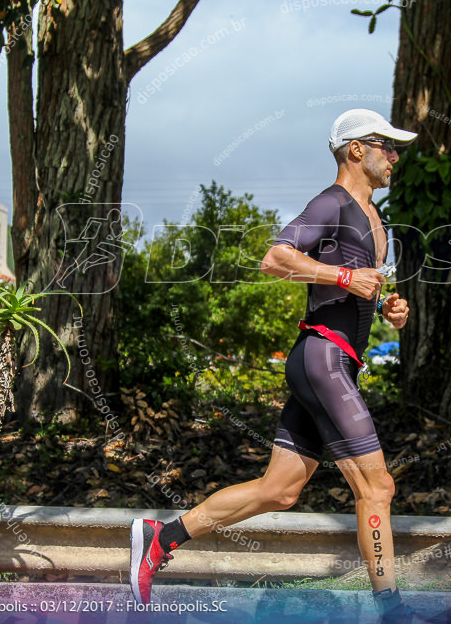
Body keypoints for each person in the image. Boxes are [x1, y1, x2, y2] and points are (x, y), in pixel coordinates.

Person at [130, 109, 427, 621]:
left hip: (335, 362)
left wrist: (388, 309)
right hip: (323, 359)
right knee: (377, 487)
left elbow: (363, 291)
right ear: (356, 150)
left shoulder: (377, 221)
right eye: (385, 146)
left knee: (281, 490)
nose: (394, 156)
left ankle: (162, 536)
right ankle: (393, 611)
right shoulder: (330, 203)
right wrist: (342, 276)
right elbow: (276, 258)